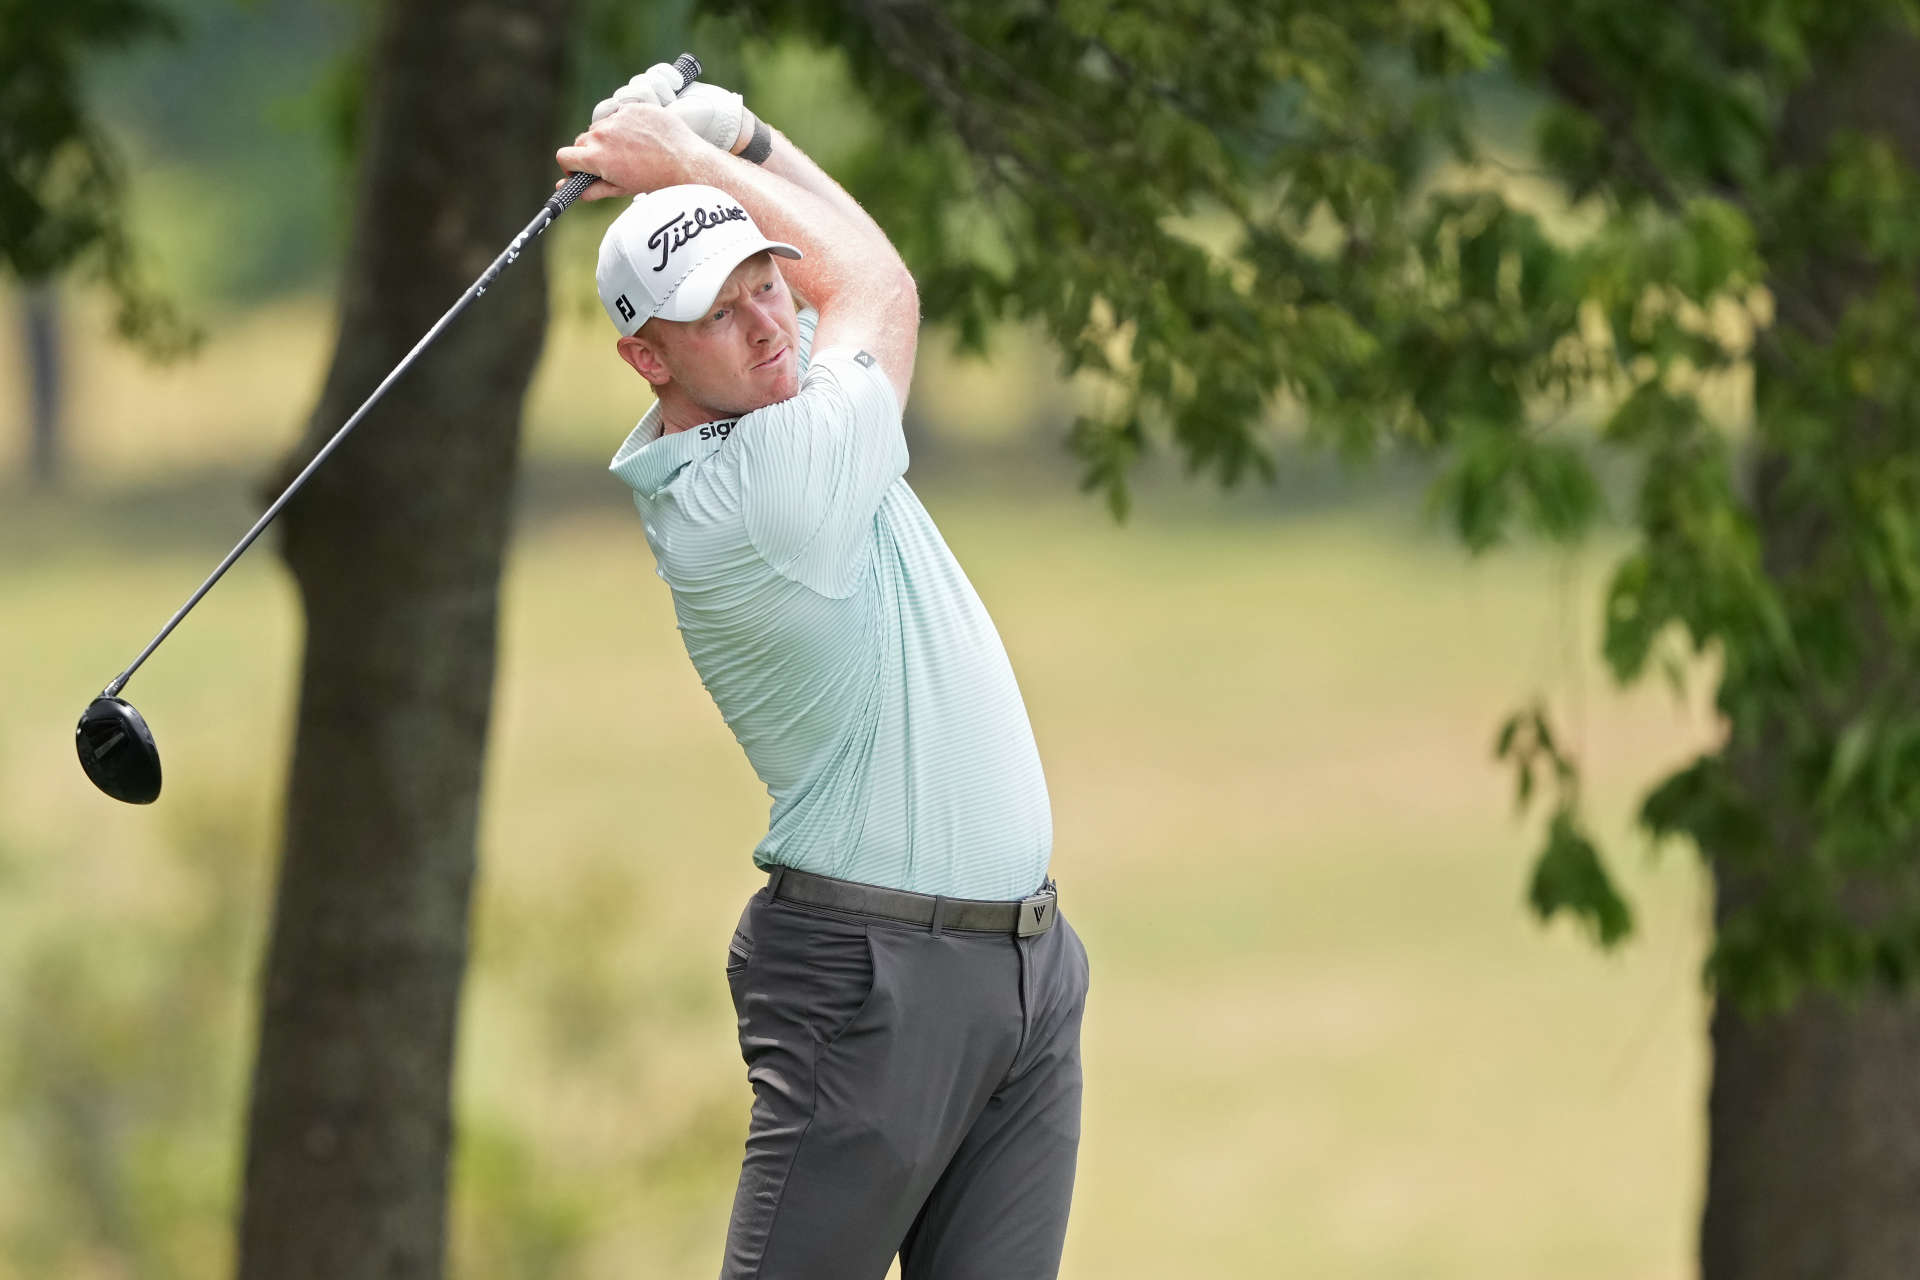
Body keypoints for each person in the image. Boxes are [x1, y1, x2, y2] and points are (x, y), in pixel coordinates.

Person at [556, 66, 1090, 1280]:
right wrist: (701, 156)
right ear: (647, 358)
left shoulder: (769, 388)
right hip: (872, 979)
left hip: (1024, 970)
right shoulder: (759, 493)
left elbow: (838, 269)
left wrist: (734, 140)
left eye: (766, 282)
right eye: (720, 312)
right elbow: (880, 286)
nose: (765, 323)